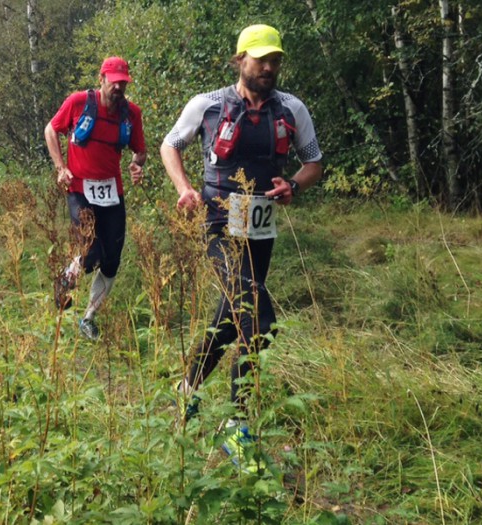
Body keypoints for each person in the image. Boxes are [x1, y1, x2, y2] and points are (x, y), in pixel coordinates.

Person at [160, 24, 323, 472]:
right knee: (260, 317)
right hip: (218, 220)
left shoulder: (292, 108)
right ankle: (237, 427)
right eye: (260, 59)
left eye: (275, 60)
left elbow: (314, 162)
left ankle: (188, 390)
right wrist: (184, 188)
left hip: (261, 225)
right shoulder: (208, 104)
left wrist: (293, 184)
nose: (269, 67)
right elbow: (170, 145)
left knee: (235, 314)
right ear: (239, 61)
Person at [45, 56, 146, 341]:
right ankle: (67, 279)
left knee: (112, 258)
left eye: (122, 83)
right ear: (101, 79)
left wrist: (138, 164)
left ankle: (89, 317)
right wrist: (60, 167)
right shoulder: (78, 102)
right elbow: (51, 129)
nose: (118, 88)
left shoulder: (131, 113)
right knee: (91, 253)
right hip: (80, 189)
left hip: (112, 192)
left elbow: (140, 150)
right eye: (113, 82)